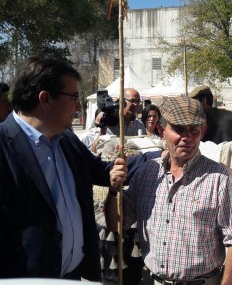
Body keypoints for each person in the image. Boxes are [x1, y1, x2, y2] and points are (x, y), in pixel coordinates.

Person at [0, 56, 160, 280]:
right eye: (74, 97)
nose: (78, 107)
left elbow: (104, 172)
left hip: (72, 275)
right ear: (45, 99)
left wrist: (159, 156)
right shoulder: (3, 146)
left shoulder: (66, 140)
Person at [106, 95, 232, 285]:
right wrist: (114, 190)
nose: (186, 138)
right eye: (178, 129)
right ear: (161, 130)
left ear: (203, 131)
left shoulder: (220, 179)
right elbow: (116, 223)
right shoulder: (146, 173)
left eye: (193, 130)